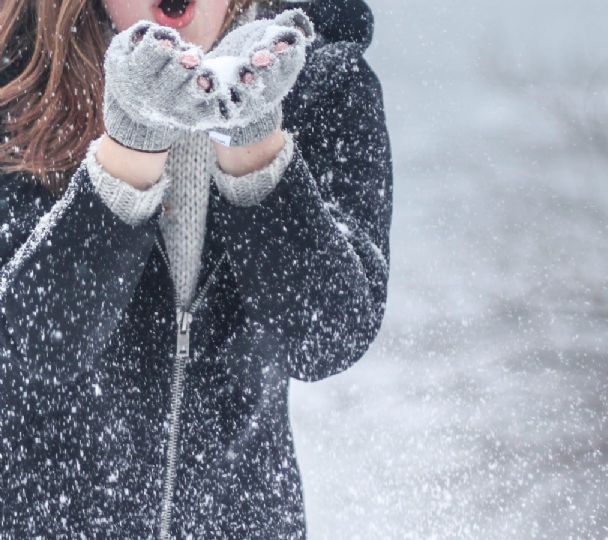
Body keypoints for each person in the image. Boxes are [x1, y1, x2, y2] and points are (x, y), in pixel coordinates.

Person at [0, 0, 392, 537]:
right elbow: (26, 349)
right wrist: (130, 148)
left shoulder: (323, 82)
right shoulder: (16, 79)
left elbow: (328, 337)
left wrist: (254, 140)